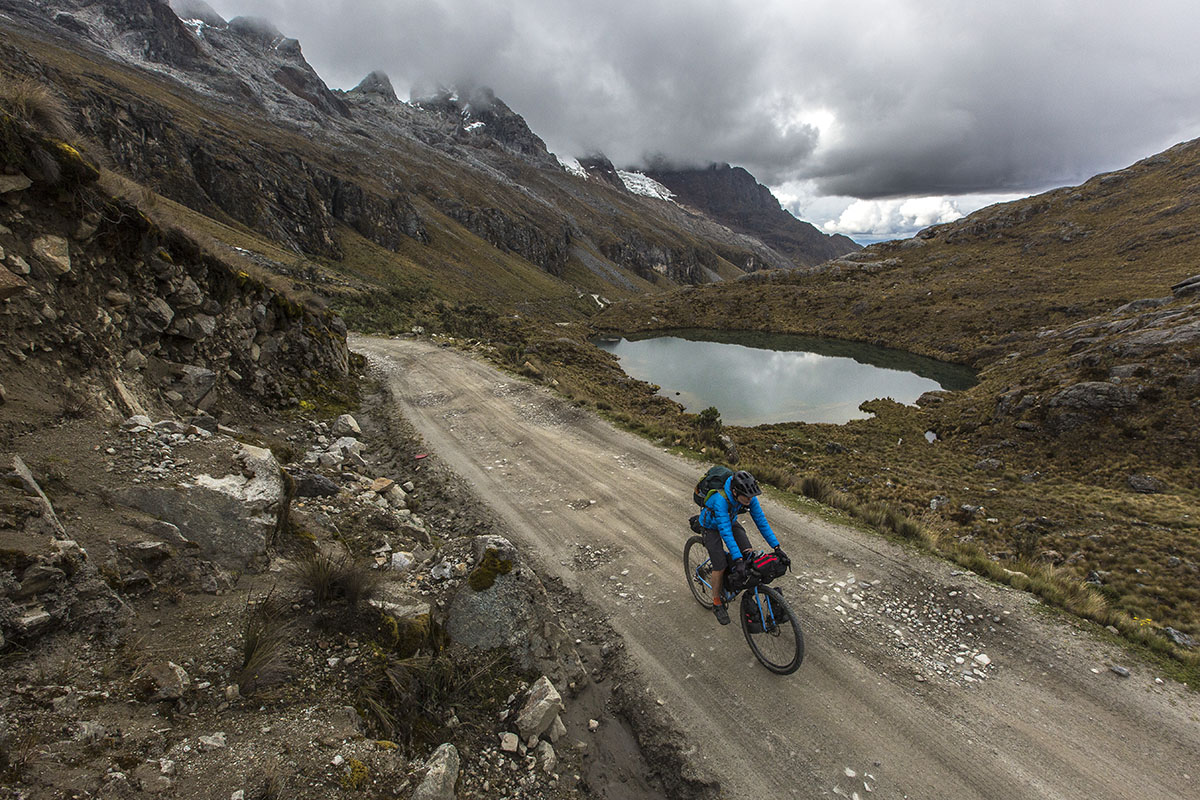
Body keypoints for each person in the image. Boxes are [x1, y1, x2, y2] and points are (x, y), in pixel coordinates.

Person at [696, 470, 790, 624]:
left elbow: (761, 521)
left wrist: (777, 547)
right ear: (734, 491)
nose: (749, 500)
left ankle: (737, 581)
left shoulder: (749, 496)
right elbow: (725, 533)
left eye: (751, 497)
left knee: (749, 554)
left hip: (729, 521)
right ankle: (716, 602)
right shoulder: (721, 500)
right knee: (720, 564)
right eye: (746, 497)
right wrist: (737, 558)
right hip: (711, 526)